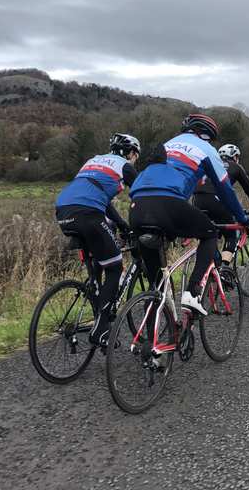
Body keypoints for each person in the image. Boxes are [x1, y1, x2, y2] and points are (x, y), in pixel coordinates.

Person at [129, 114, 249, 315]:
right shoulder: (206, 150)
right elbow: (225, 190)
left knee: (157, 285)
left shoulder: (168, 144)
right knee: (210, 233)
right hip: (168, 203)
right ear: (207, 135)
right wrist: (243, 219)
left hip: (136, 206)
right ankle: (193, 293)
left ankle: (152, 338)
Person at [54, 133, 141, 346]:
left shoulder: (92, 160)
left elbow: (101, 199)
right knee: (114, 267)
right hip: (88, 214)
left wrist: (121, 226)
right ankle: (101, 329)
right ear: (131, 153)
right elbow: (143, 194)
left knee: (99, 258)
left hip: (63, 211)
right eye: (136, 156)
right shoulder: (125, 166)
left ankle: (94, 289)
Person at [193, 143, 249, 266]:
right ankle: (223, 269)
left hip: (197, 200)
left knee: (209, 234)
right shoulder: (235, 166)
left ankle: (212, 265)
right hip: (217, 200)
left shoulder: (209, 164)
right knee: (232, 235)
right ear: (235, 156)